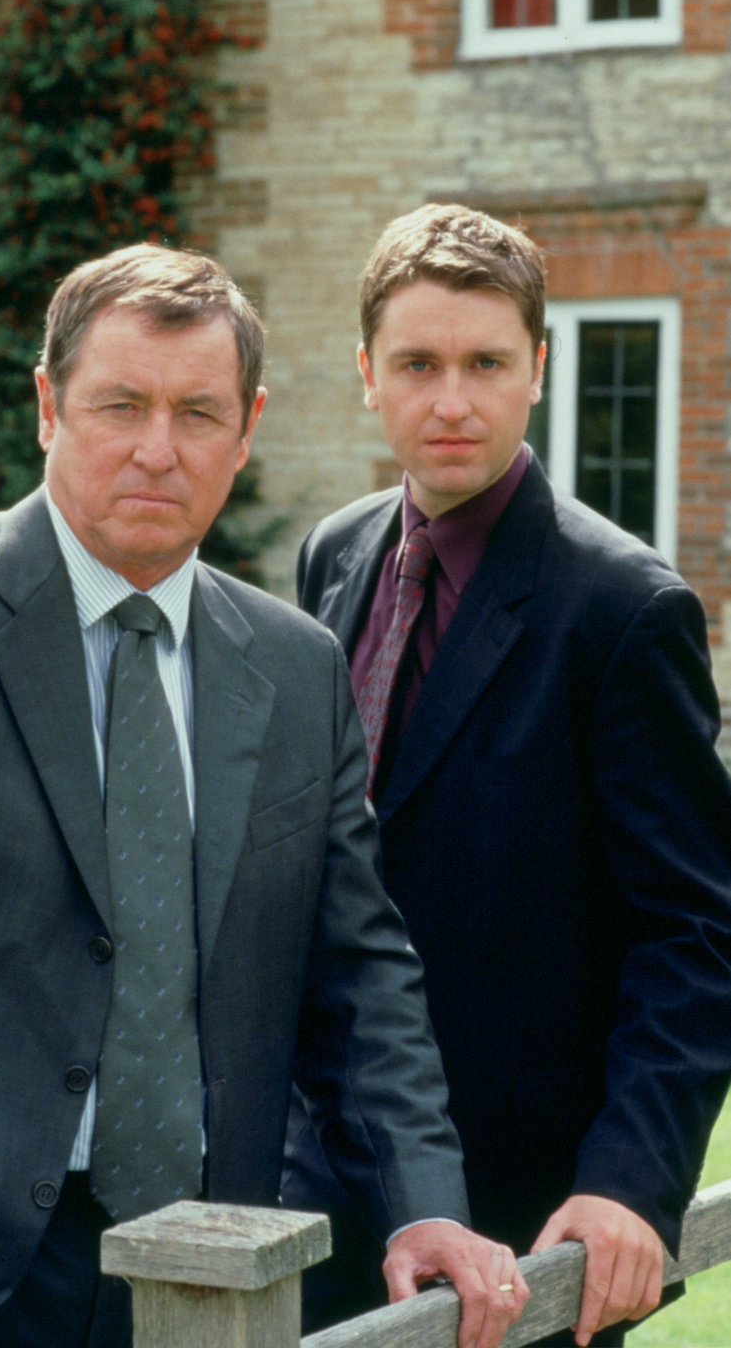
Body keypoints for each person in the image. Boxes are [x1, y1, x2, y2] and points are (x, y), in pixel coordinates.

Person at [0, 244, 526, 1348]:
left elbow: (360, 975)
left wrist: (424, 1204)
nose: (156, 449)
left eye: (197, 412)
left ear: (247, 428)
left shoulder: (296, 667)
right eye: (120, 405)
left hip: (207, 1272)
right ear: (48, 406)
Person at [282, 203, 731, 1347]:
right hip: (321, 1186)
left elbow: (696, 930)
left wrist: (631, 1179)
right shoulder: (333, 557)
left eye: (486, 364)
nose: (452, 401)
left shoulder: (624, 609)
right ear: (366, 374)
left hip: (524, 1225)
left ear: (538, 367)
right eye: (417, 364)